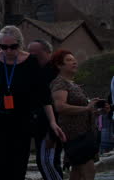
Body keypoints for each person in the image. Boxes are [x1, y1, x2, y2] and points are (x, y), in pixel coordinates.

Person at [0, 26, 65, 180]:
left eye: (13, 47)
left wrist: (53, 122)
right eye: (4, 47)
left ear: (20, 44)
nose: (8, 51)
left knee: (17, 170)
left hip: (21, 123)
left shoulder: (31, 62)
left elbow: (44, 95)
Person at [51, 50, 109, 180]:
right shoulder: (60, 83)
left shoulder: (72, 84)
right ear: (59, 65)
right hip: (74, 134)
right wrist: (87, 108)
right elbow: (60, 106)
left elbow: (83, 109)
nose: (74, 62)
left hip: (84, 132)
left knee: (77, 171)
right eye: (69, 60)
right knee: (89, 170)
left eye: (74, 59)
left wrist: (98, 110)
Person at [27, 39, 63, 180]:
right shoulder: (38, 72)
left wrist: (52, 134)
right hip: (40, 127)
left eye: (35, 55)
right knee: (45, 163)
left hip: (48, 129)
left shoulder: (52, 75)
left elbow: (55, 106)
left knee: (48, 163)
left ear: (48, 53)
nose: (32, 58)